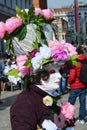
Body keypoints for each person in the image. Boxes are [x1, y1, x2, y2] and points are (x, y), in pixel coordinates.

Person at [68, 54, 87, 124]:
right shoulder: (85, 63)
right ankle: (82, 118)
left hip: (75, 87)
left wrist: (69, 82)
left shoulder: (75, 64)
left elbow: (72, 77)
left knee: (71, 103)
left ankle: (70, 118)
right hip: (84, 86)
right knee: (82, 103)